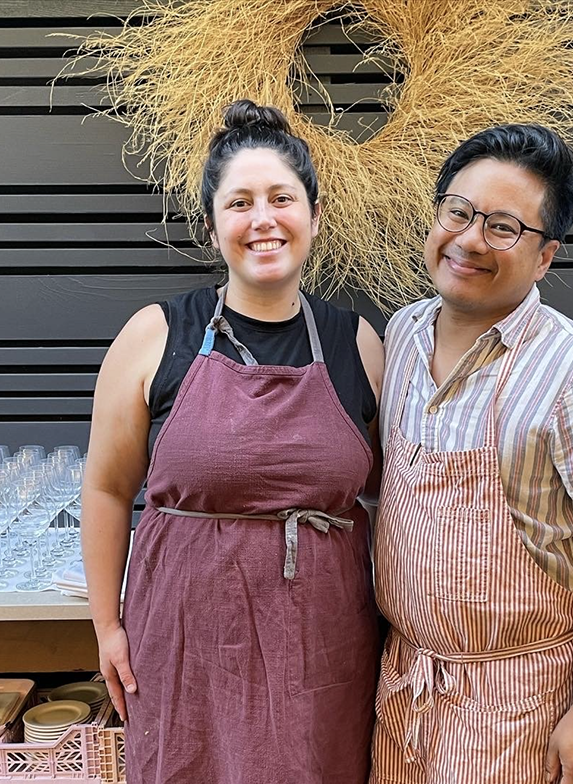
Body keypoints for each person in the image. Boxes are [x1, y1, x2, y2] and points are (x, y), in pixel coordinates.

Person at [81, 99, 384, 784]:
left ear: (313, 215)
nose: (263, 219)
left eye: (282, 198)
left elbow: (388, 495)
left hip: (322, 649)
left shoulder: (359, 345)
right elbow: (104, 487)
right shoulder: (154, 335)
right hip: (184, 642)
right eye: (239, 202)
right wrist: (107, 626)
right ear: (213, 224)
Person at [370, 123, 573, 784]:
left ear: (544, 255)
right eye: (457, 212)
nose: (468, 239)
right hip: (401, 690)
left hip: (520, 709)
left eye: (503, 227)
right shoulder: (398, 334)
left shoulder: (565, 367)